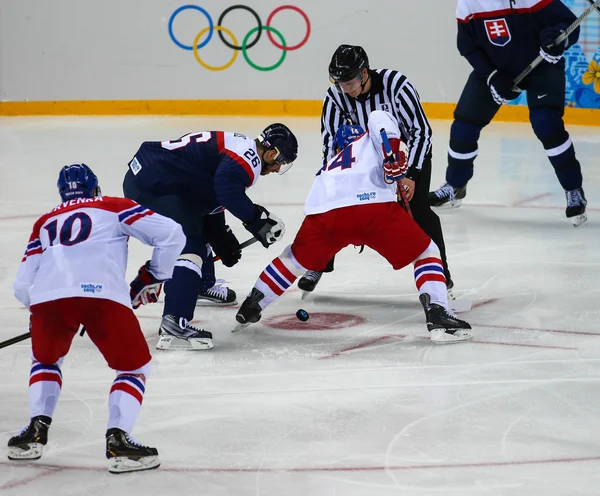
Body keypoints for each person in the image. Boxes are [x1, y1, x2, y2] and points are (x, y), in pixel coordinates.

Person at [235, 111, 473, 343]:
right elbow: (380, 118)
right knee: (426, 252)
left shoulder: (330, 165)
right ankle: (438, 313)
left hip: (324, 215)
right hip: (371, 208)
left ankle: (251, 306)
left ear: (338, 148)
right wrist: (393, 151)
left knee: (293, 259)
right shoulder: (371, 141)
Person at [8, 164, 185, 473]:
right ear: (95, 188)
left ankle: (34, 432)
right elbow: (172, 234)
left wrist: (37, 311)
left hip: (50, 301)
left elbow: (22, 286)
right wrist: (155, 276)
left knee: (46, 361)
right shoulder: (113, 206)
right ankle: (119, 441)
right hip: (103, 297)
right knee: (134, 368)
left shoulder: (44, 222)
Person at [298, 44, 458, 301]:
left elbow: (420, 132)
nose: (344, 88)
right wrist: (329, 180)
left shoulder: (396, 85)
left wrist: (412, 175)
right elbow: (330, 142)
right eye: (338, 82)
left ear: (363, 74)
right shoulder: (335, 96)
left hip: (402, 153)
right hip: (360, 156)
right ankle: (318, 263)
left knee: (418, 209)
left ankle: (441, 272)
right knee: (331, 205)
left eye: (348, 81)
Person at [123, 124, 298, 350]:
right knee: (190, 246)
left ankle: (198, 285)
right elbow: (226, 189)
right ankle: (174, 323)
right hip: (153, 186)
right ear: (271, 152)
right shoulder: (249, 159)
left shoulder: (240, 147)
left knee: (196, 230)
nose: (276, 169)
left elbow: (209, 191)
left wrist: (220, 234)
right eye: (279, 161)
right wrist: (256, 220)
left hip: (157, 180)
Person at [429, 0, 586, 226]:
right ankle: (455, 186)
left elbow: (569, 24)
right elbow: (467, 46)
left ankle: (574, 189)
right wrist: (492, 76)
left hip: (541, 67)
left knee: (546, 123)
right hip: (496, 69)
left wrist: (556, 38)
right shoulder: (467, 4)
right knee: (463, 126)